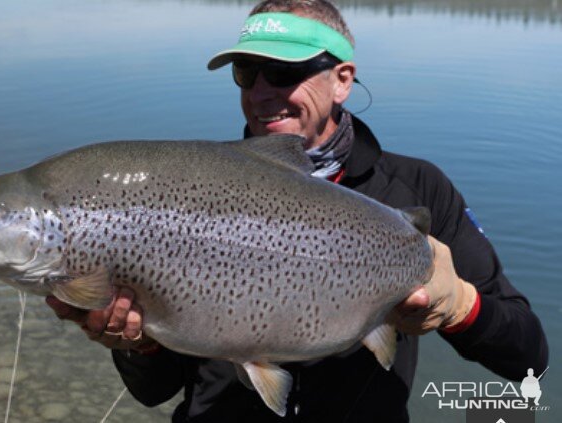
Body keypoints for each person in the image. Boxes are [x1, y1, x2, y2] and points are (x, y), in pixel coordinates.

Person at [47, 1, 549, 421]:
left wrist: (461, 306)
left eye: (285, 72)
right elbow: (154, 392)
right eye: (247, 73)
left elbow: (528, 358)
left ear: (342, 80)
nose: (262, 92)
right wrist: (137, 344)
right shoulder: (190, 191)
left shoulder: (417, 188)